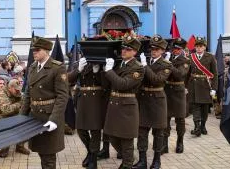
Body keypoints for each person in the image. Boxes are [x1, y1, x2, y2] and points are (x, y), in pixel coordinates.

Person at [20, 37, 68, 169]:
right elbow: (28, 94)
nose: (34, 53)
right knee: (42, 153)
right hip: (35, 117)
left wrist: (54, 119)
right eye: (33, 50)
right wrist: (22, 116)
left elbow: (62, 96)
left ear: (46, 51)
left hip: (49, 117)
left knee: (49, 157)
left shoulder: (57, 68)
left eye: (37, 50)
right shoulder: (33, 67)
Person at [98, 36, 144, 169]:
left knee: (126, 140)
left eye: (128, 49)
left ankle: (127, 163)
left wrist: (109, 71)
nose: (124, 51)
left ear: (135, 52)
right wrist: (101, 70)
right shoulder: (119, 63)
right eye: (123, 48)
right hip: (114, 104)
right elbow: (107, 84)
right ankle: (127, 158)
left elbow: (123, 84)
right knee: (112, 136)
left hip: (127, 107)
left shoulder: (138, 68)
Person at [133, 35, 172, 169]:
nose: (153, 51)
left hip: (157, 100)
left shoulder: (166, 65)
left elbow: (157, 80)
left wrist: (144, 66)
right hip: (144, 100)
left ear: (162, 51)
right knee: (141, 132)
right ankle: (142, 160)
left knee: (158, 132)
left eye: (157, 49)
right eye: (152, 48)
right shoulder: (145, 62)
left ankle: (156, 160)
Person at [67, 56, 108, 168]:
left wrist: (98, 72)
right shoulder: (80, 63)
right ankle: (90, 152)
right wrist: (78, 69)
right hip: (82, 100)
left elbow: (106, 86)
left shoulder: (102, 64)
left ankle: (93, 159)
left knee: (95, 130)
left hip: (97, 100)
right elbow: (68, 80)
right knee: (80, 129)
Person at [162, 38, 190, 154]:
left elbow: (179, 74)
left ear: (182, 49)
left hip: (178, 91)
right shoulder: (167, 59)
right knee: (166, 119)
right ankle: (164, 144)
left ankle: (180, 141)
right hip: (167, 90)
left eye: (178, 49)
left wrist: (168, 64)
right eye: (174, 48)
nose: (175, 51)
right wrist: (165, 61)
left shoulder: (185, 61)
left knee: (180, 119)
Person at [187, 37, 218, 137]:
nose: (199, 48)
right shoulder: (191, 57)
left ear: (204, 47)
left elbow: (215, 74)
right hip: (194, 85)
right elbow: (187, 73)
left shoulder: (210, 57)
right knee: (195, 106)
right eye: (197, 46)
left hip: (206, 85)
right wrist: (186, 86)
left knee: (204, 108)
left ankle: (203, 125)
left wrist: (214, 88)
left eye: (201, 46)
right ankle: (197, 127)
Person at [0, 79, 31, 157]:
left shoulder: (17, 93)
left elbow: (25, 102)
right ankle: (4, 148)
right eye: (16, 90)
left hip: (14, 116)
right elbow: (6, 110)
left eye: (19, 89)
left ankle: (20, 146)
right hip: (2, 118)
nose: (18, 91)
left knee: (26, 124)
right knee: (7, 129)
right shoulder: (2, 94)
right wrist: (19, 104)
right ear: (10, 87)